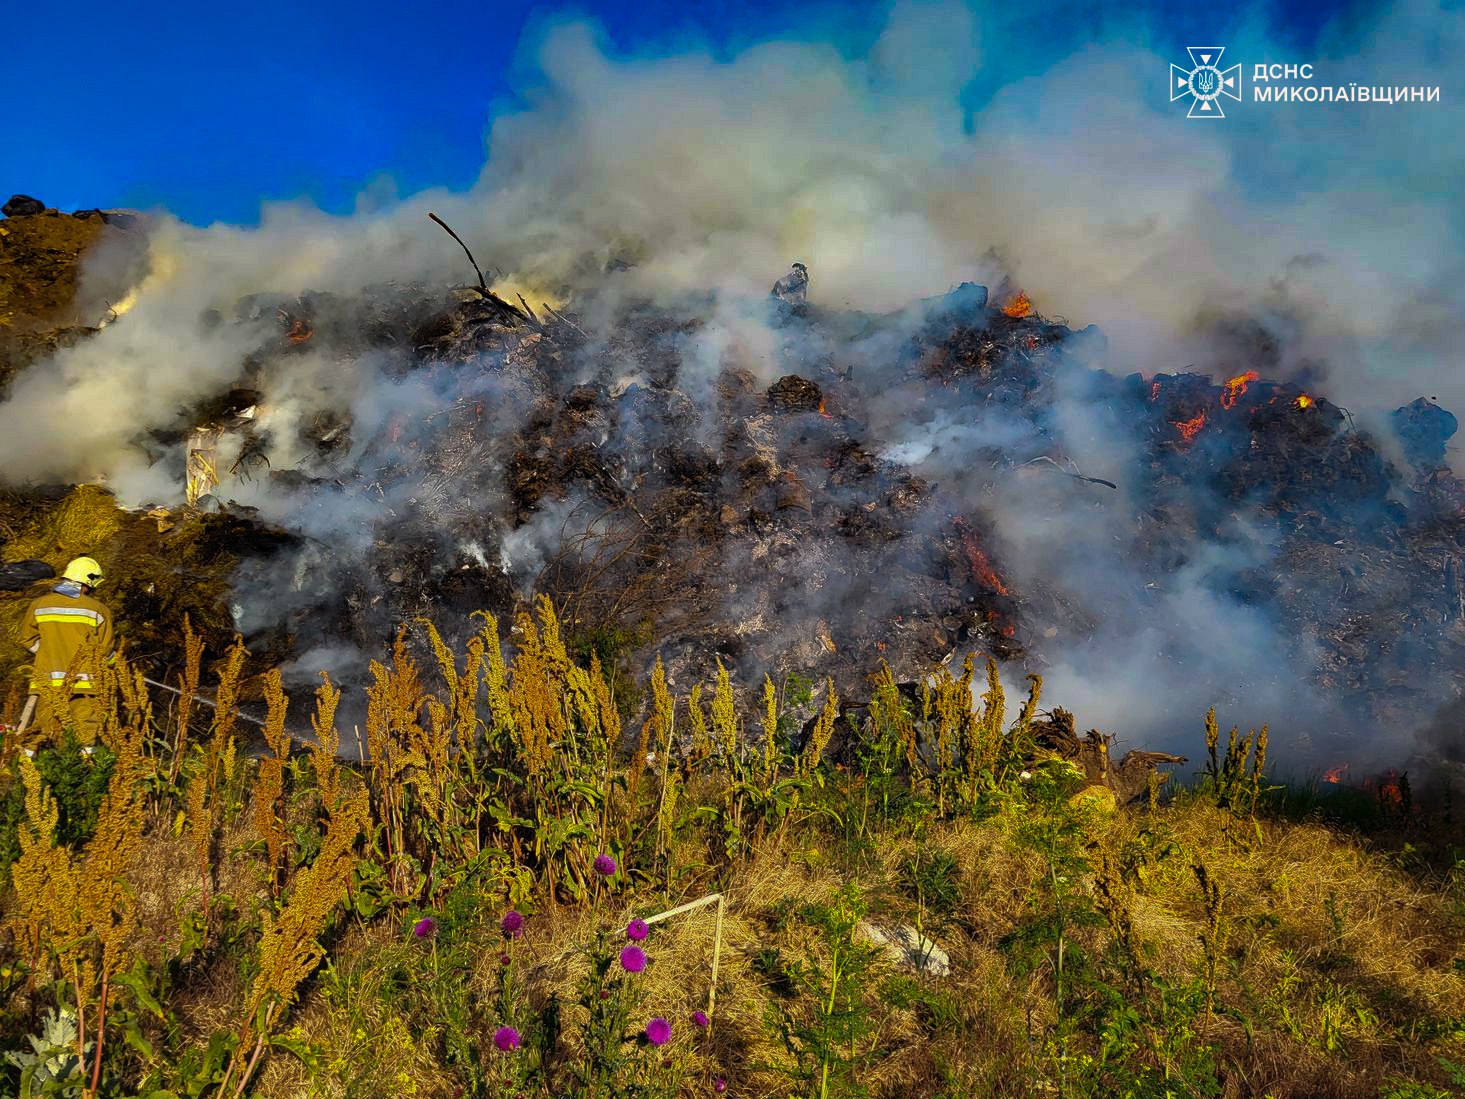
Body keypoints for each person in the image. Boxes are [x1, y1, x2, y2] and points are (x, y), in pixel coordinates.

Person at [17, 556, 114, 756]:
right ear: (89, 582)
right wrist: (116, 665)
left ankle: (24, 772)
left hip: (47, 681)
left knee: (42, 729)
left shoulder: (39, 605)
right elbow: (105, 651)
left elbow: (27, 640)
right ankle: (87, 774)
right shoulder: (98, 610)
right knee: (86, 731)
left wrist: (47, 651)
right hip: (85, 684)